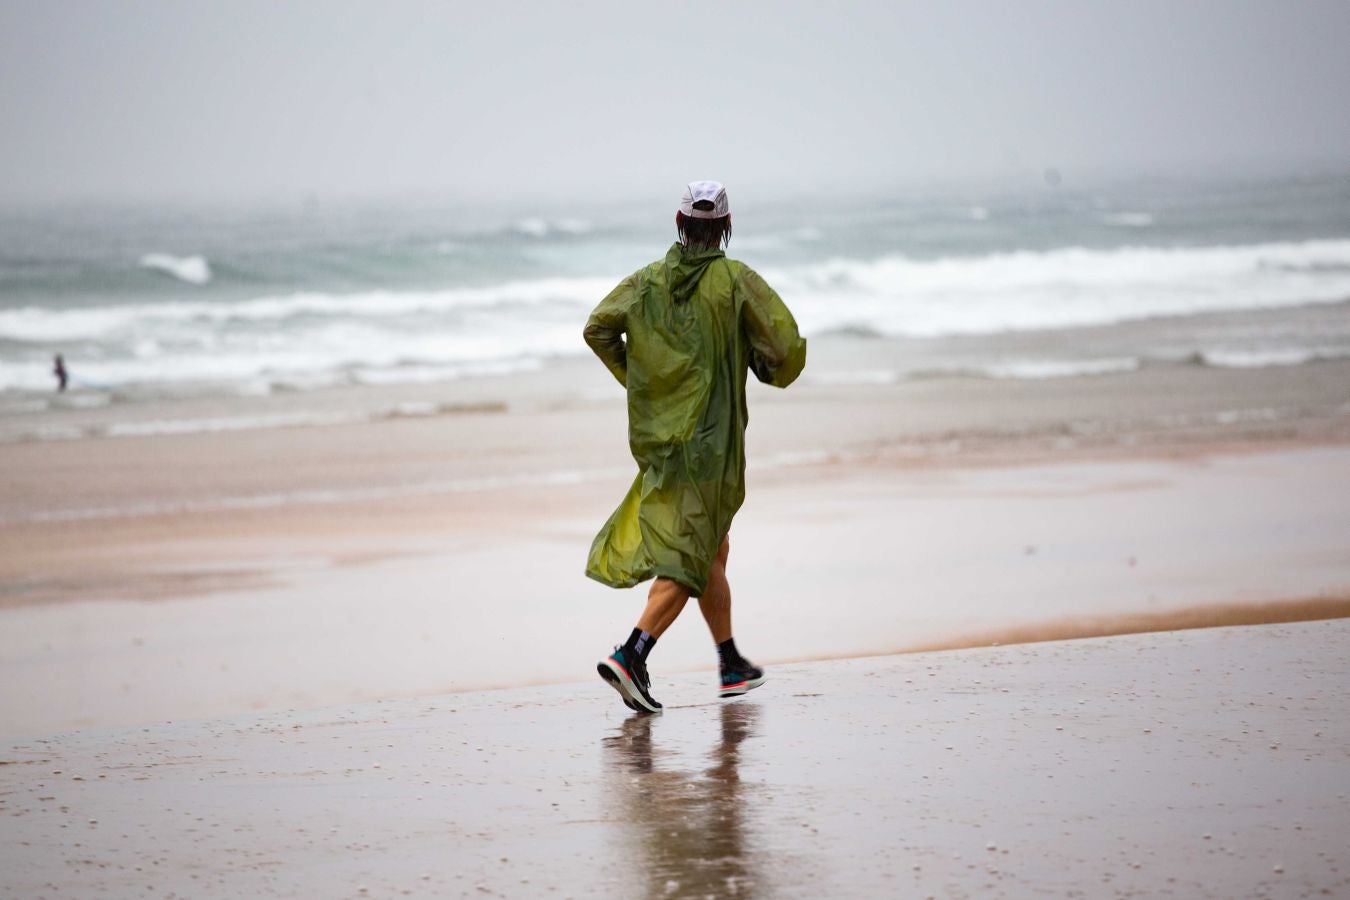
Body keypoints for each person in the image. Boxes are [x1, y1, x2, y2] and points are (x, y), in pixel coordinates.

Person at [584, 181, 806, 714]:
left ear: (679, 223)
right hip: (710, 447)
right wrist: (758, 364)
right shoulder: (735, 281)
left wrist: (646, 382)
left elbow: (598, 329)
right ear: (725, 226)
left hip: (662, 441)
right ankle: (631, 654)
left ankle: (729, 662)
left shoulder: (645, 282)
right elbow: (786, 348)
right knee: (691, 552)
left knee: (711, 548)